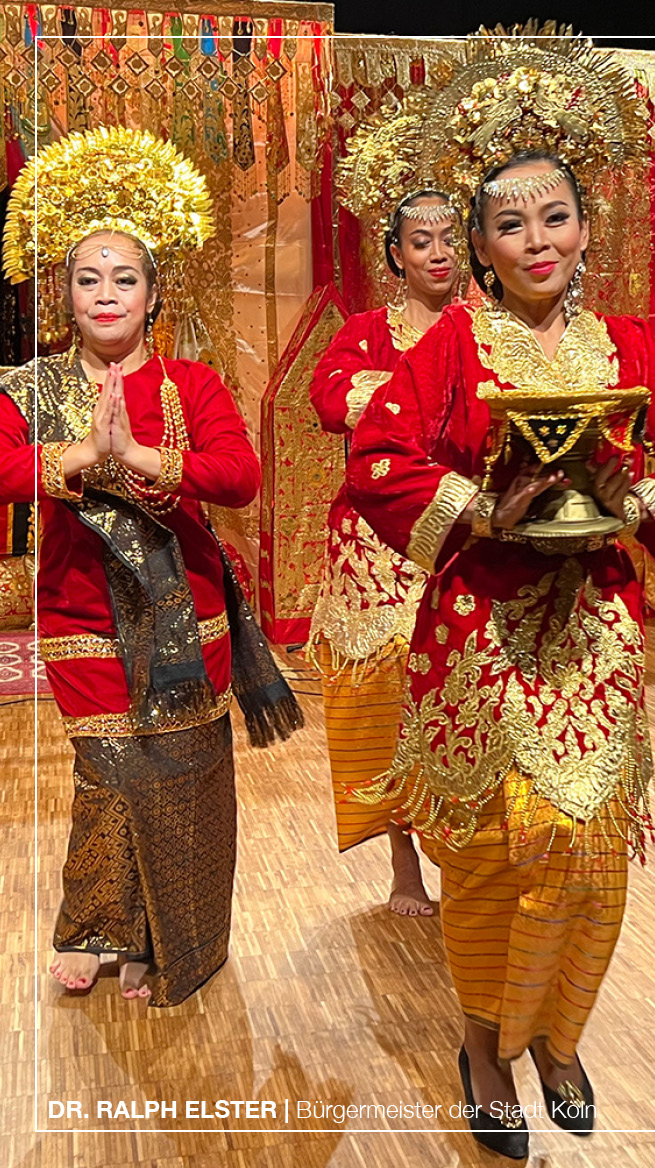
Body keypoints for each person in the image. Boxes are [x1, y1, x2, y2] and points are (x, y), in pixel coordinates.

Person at [345, 66, 655, 1152]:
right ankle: (481, 1043)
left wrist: (629, 499)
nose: (535, 238)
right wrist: (479, 509)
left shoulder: (631, 349)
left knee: (590, 852)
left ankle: (559, 1033)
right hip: (479, 634)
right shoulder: (451, 349)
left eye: (553, 216)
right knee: (491, 854)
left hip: (595, 632)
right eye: (508, 224)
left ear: (582, 230)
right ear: (480, 249)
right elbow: (377, 462)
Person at [0, 127, 301, 1006]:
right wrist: (76, 455)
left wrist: (144, 457)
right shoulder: (27, 387)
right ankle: (99, 924)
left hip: (188, 617)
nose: (106, 294)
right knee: (109, 767)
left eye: (124, 278)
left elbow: (239, 477)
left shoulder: (192, 384)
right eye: (88, 278)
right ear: (63, 293)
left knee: (180, 771)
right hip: (81, 611)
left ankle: (167, 935)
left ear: (153, 292)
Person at [308, 122, 465, 916]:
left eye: (447, 239)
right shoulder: (364, 333)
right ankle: (404, 862)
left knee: (464, 694)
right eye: (419, 241)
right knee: (385, 700)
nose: (436, 253)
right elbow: (330, 399)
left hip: (463, 534)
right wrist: (417, 391)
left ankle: (468, 855)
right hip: (374, 548)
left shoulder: (488, 331)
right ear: (396, 256)